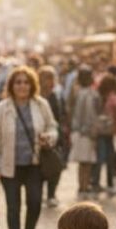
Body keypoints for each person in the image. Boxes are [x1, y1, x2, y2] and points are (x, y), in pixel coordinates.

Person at [0, 65, 59, 229]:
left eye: (26, 82)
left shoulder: (41, 105)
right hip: (9, 166)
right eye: (18, 82)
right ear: (12, 85)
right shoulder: (2, 108)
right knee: (13, 207)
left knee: (35, 202)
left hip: (34, 165)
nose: (22, 86)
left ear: (32, 85)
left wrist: (49, 136)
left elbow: (53, 126)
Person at [38, 65, 68, 208]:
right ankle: (41, 193)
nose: (51, 81)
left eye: (52, 78)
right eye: (48, 78)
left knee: (55, 165)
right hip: (39, 136)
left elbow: (61, 115)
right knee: (40, 166)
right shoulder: (37, 96)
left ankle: (51, 194)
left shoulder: (55, 95)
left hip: (55, 135)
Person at [70, 67, 100, 198]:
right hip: (86, 132)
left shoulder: (76, 92)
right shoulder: (89, 94)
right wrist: (91, 130)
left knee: (82, 163)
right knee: (86, 162)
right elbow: (89, 115)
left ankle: (81, 187)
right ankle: (84, 187)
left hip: (77, 130)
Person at [94, 75, 116, 196]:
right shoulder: (113, 97)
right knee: (111, 158)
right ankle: (110, 183)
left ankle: (95, 182)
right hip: (111, 131)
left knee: (100, 158)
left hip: (101, 130)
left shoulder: (100, 96)